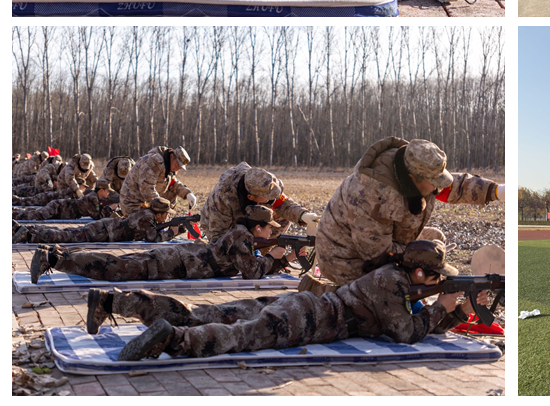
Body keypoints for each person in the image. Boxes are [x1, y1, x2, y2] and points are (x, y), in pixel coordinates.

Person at [110, 238, 483, 361]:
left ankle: (129, 304)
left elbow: (418, 323)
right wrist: (442, 307)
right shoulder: (392, 282)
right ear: (419, 273)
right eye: (436, 277)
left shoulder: (393, 275)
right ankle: (173, 339)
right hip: (308, 320)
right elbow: (405, 333)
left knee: (218, 313)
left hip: (303, 305)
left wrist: (456, 312)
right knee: (241, 337)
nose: (438, 282)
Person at [316, 137, 503, 288]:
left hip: (383, 243)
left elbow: (455, 186)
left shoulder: (415, 169)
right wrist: (422, 257)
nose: (438, 187)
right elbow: (377, 255)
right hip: (345, 258)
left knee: (435, 238)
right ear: (412, 178)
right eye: (434, 182)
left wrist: (495, 191)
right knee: (399, 284)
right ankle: (337, 294)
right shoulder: (371, 195)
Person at [30, 205, 289, 284]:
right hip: (177, 263)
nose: (271, 231)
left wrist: (279, 259)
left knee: (118, 263)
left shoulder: (240, 234)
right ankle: (53, 259)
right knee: (115, 269)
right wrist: (276, 258)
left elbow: (247, 265)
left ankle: (56, 253)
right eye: (269, 227)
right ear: (258, 227)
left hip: (180, 258)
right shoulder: (243, 237)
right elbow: (251, 272)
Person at [200, 162, 319, 242]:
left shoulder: (262, 180)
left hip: (248, 213)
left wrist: (303, 215)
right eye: (267, 197)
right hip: (218, 223)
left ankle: (262, 256)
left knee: (282, 217)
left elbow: (284, 204)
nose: (272, 199)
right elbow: (218, 236)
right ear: (251, 197)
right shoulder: (224, 196)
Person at [14, 196, 184, 245]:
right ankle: (29, 235)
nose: (167, 217)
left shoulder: (145, 213)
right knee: (66, 236)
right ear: (159, 213)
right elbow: (152, 237)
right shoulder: (147, 217)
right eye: (166, 214)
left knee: (67, 233)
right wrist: (172, 232)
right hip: (103, 232)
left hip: (104, 228)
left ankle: (28, 231)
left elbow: (150, 231)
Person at [118, 146, 195, 215]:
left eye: (179, 168)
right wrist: (161, 208)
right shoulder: (152, 161)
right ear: (172, 156)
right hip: (132, 202)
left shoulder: (168, 166)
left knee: (172, 192)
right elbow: (147, 188)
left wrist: (187, 193)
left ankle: (164, 217)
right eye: (177, 165)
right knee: (149, 221)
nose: (176, 169)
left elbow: (173, 183)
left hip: (146, 201)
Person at [13, 179, 119, 221]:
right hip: (59, 207)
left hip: (62, 210)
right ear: (101, 190)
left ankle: (14, 212)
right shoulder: (93, 198)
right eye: (107, 191)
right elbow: (97, 216)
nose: (108, 193)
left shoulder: (95, 197)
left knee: (34, 213)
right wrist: (110, 208)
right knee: (34, 216)